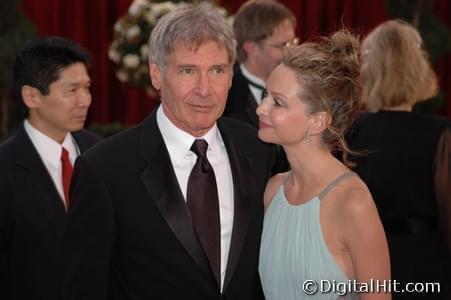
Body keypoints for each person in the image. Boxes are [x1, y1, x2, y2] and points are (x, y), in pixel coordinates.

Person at [61, 3, 274, 300]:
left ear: (231, 75)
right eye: (188, 70)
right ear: (157, 75)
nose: (204, 89)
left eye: (217, 70)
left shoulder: (259, 149)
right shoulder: (105, 169)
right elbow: (83, 287)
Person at [257, 30, 391, 300]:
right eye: (265, 95)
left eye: (277, 102)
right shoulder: (273, 191)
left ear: (318, 121)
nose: (261, 109)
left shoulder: (352, 202)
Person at [347, 20, 451, 299]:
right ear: (419, 67)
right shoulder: (439, 133)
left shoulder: (350, 128)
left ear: (369, 69)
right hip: (422, 263)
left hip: (361, 259)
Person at [0, 36, 101, 300]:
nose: (85, 100)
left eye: (87, 88)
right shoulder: (5, 168)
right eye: (71, 90)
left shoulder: (103, 153)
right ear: (31, 96)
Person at [224, 0, 297, 128]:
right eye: (283, 45)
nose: (293, 52)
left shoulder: (299, 86)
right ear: (251, 48)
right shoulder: (228, 98)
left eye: (294, 42)